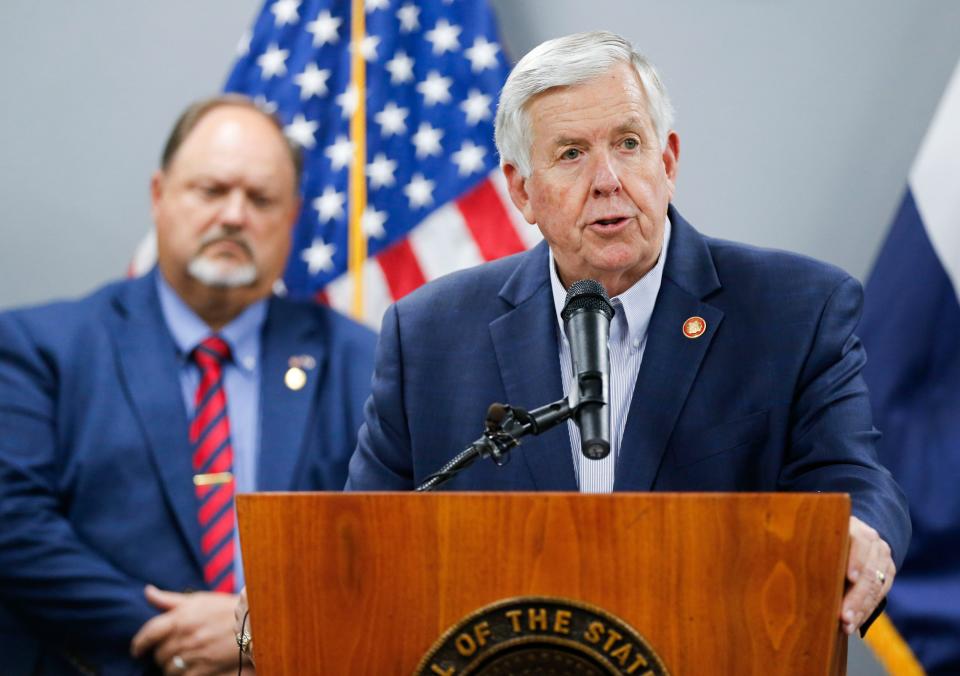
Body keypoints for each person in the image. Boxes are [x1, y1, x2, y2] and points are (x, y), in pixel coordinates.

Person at [345, 31, 910, 638]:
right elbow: (357, 544)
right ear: (520, 190)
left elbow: (854, 477)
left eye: (628, 143)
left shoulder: (795, 311)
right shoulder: (428, 336)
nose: (608, 179)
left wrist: (862, 532)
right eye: (570, 154)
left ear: (666, 162)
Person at [0, 95, 376, 675]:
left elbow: (388, 540)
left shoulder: (362, 360)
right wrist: (185, 634)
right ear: (159, 196)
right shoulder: (40, 348)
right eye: (211, 190)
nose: (233, 215)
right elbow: (15, 525)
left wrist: (257, 628)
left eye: (260, 199)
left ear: (291, 218)